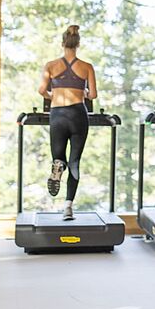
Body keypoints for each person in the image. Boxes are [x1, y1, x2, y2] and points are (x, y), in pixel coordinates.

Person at [37, 25, 98, 221]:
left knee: (59, 157)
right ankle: (68, 208)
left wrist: (53, 95)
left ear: (62, 43)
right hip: (78, 114)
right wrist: (84, 92)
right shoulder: (87, 67)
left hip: (58, 114)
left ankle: (57, 166)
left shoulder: (51, 65)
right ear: (78, 44)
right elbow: (93, 95)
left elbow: (41, 90)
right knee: (75, 162)